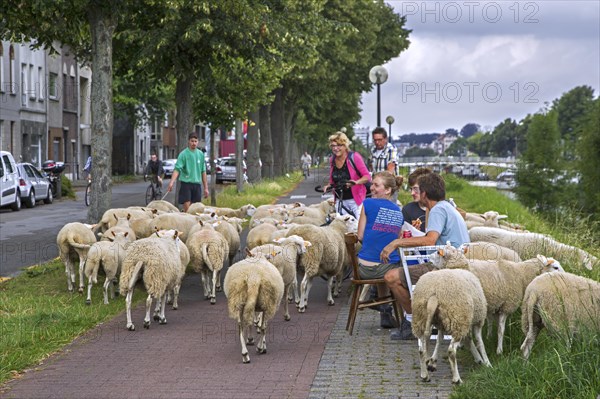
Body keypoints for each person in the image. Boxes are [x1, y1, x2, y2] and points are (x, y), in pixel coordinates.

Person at [381, 172, 470, 340]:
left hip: (445, 267)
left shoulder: (438, 210)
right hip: (457, 263)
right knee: (405, 273)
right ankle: (425, 320)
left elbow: (430, 240)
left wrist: (396, 243)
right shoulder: (446, 207)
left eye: (418, 190)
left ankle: (414, 323)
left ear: (425, 194)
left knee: (391, 277)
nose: (415, 193)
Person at [357, 171, 405, 328]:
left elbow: (360, 236)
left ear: (388, 190)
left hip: (363, 269)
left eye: (376, 185)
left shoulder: (367, 204)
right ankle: (403, 316)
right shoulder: (399, 212)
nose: (372, 188)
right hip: (385, 269)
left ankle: (384, 310)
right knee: (402, 268)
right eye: (372, 184)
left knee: (382, 262)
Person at [323, 131, 371, 218]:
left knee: (358, 227)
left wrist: (356, 182)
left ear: (345, 146)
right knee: (342, 229)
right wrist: (329, 186)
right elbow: (333, 179)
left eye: (339, 145)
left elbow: (367, 176)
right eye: (333, 146)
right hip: (339, 200)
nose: (336, 148)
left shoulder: (354, 157)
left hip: (355, 201)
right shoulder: (332, 159)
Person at [166, 132, 209, 212]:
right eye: (192, 141)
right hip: (186, 184)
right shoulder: (183, 154)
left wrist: (206, 188)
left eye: (195, 141)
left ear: (198, 142)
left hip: (197, 184)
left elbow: (203, 172)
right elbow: (177, 169)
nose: (194, 143)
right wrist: (171, 182)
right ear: (189, 141)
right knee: (188, 210)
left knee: (196, 211)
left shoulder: (201, 155)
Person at [402, 167, 432, 233]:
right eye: (411, 189)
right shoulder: (407, 210)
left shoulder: (439, 209)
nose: (412, 193)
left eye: (415, 189)